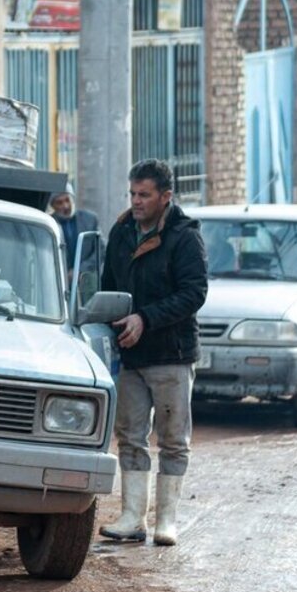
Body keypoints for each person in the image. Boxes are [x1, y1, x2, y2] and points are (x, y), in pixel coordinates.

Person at [98, 159, 207, 547]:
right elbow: (108, 285)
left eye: (144, 194)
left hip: (172, 356)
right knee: (129, 436)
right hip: (131, 356)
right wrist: (107, 320)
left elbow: (194, 294)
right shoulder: (122, 231)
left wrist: (145, 318)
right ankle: (132, 517)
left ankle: (167, 521)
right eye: (132, 193)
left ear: (166, 196)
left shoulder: (185, 236)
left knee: (173, 440)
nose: (137, 201)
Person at [49, 181, 99, 282]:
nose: (66, 206)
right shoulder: (49, 224)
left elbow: (100, 250)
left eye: (67, 200)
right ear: (53, 206)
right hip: (58, 281)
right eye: (59, 202)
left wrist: (80, 270)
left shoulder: (90, 220)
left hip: (85, 282)